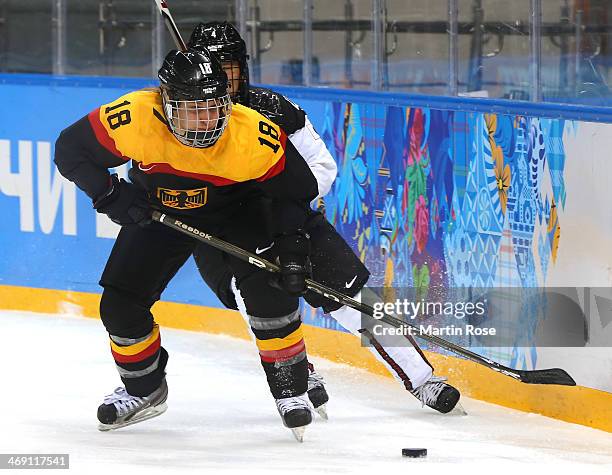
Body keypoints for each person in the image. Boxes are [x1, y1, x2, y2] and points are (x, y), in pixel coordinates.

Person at [187, 22, 461, 415]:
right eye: (209, 66)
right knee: (256, 300)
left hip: (290, 220)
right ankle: (298, 370)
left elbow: (321, 168)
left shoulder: (274, 109)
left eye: (226, 66)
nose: (219, 76)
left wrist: (283, 203)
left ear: (242, 69)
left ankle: (422, 379)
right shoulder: (177, 115)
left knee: (355, 299)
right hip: (221, 230)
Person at [54, 47, 323, 441]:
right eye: (191, 109)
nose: (205, 120)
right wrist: (111, 194)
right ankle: (144, 391)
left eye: (213, 107)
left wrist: (292, 247)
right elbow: (70, 150)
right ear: (165, 103)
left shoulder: (253, 135)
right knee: (119, 307)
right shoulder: (134, 117)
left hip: (239, 210)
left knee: (270, 296)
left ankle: (291, 388)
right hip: (159, 211)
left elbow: (296, 192)